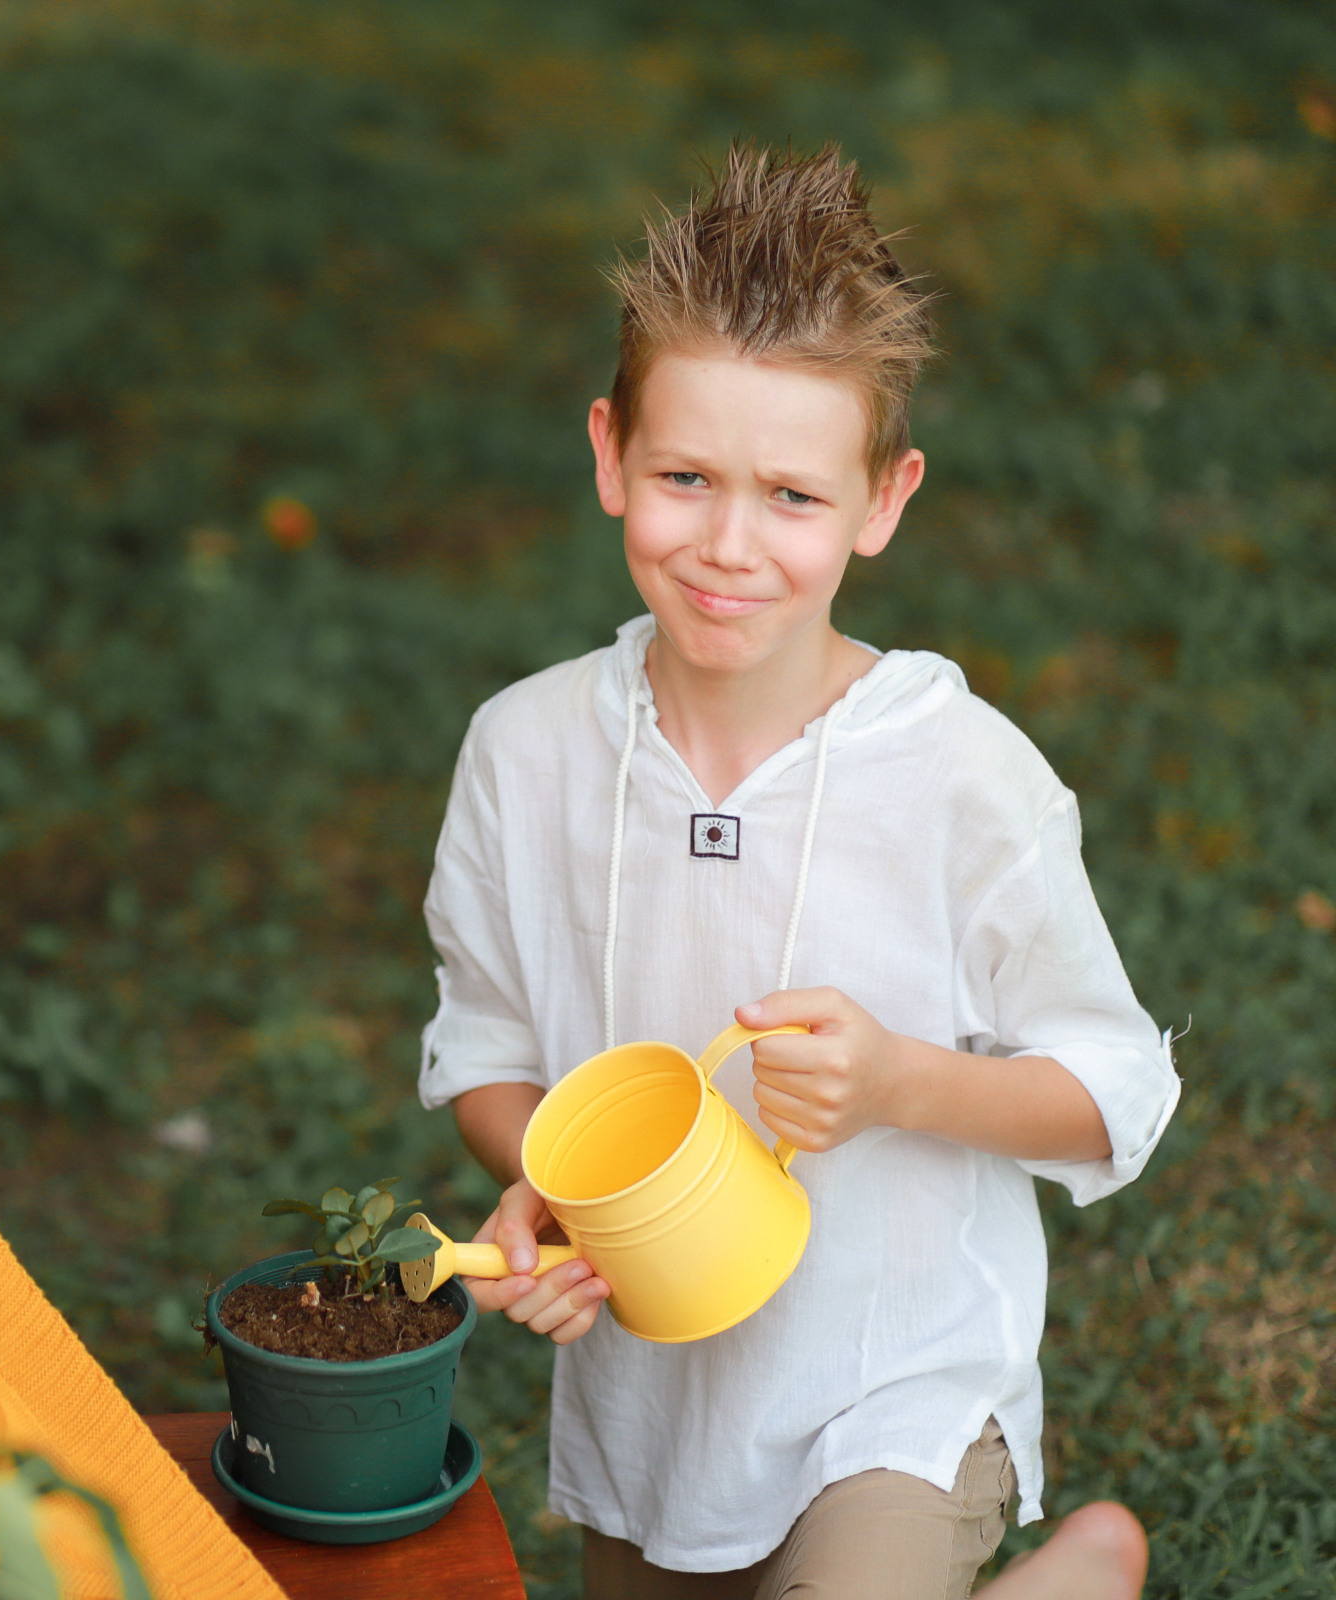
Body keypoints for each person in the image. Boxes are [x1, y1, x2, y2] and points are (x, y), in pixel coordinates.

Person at [415, 144, 1179, 1600]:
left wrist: (901, 1083)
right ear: (609, 455)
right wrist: (551, 1194)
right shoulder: (525, 752)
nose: (728, 545)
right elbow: (490, 1051)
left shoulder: (961, 774)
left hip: (899, 1386)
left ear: (883, 501)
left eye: (792, 497)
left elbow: (1116, 1088)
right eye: (685, 478)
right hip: (661, 1401)